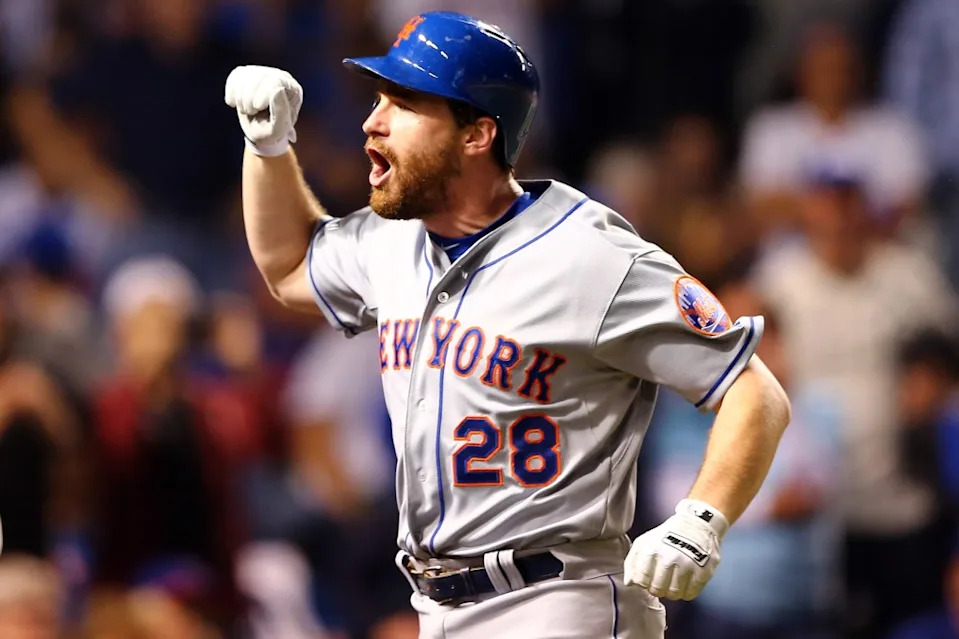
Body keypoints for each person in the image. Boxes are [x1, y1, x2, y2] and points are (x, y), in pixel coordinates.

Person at [224, 11, 791, 638]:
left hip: (558, 599)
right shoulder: (390, 242)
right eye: (380, 98)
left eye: (405, 104)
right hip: (435, 605)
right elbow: (288, 267)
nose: (372, 122)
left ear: (477, 135)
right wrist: (269, 149)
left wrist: (700, 520)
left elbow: (754, 391)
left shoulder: (592, 256)